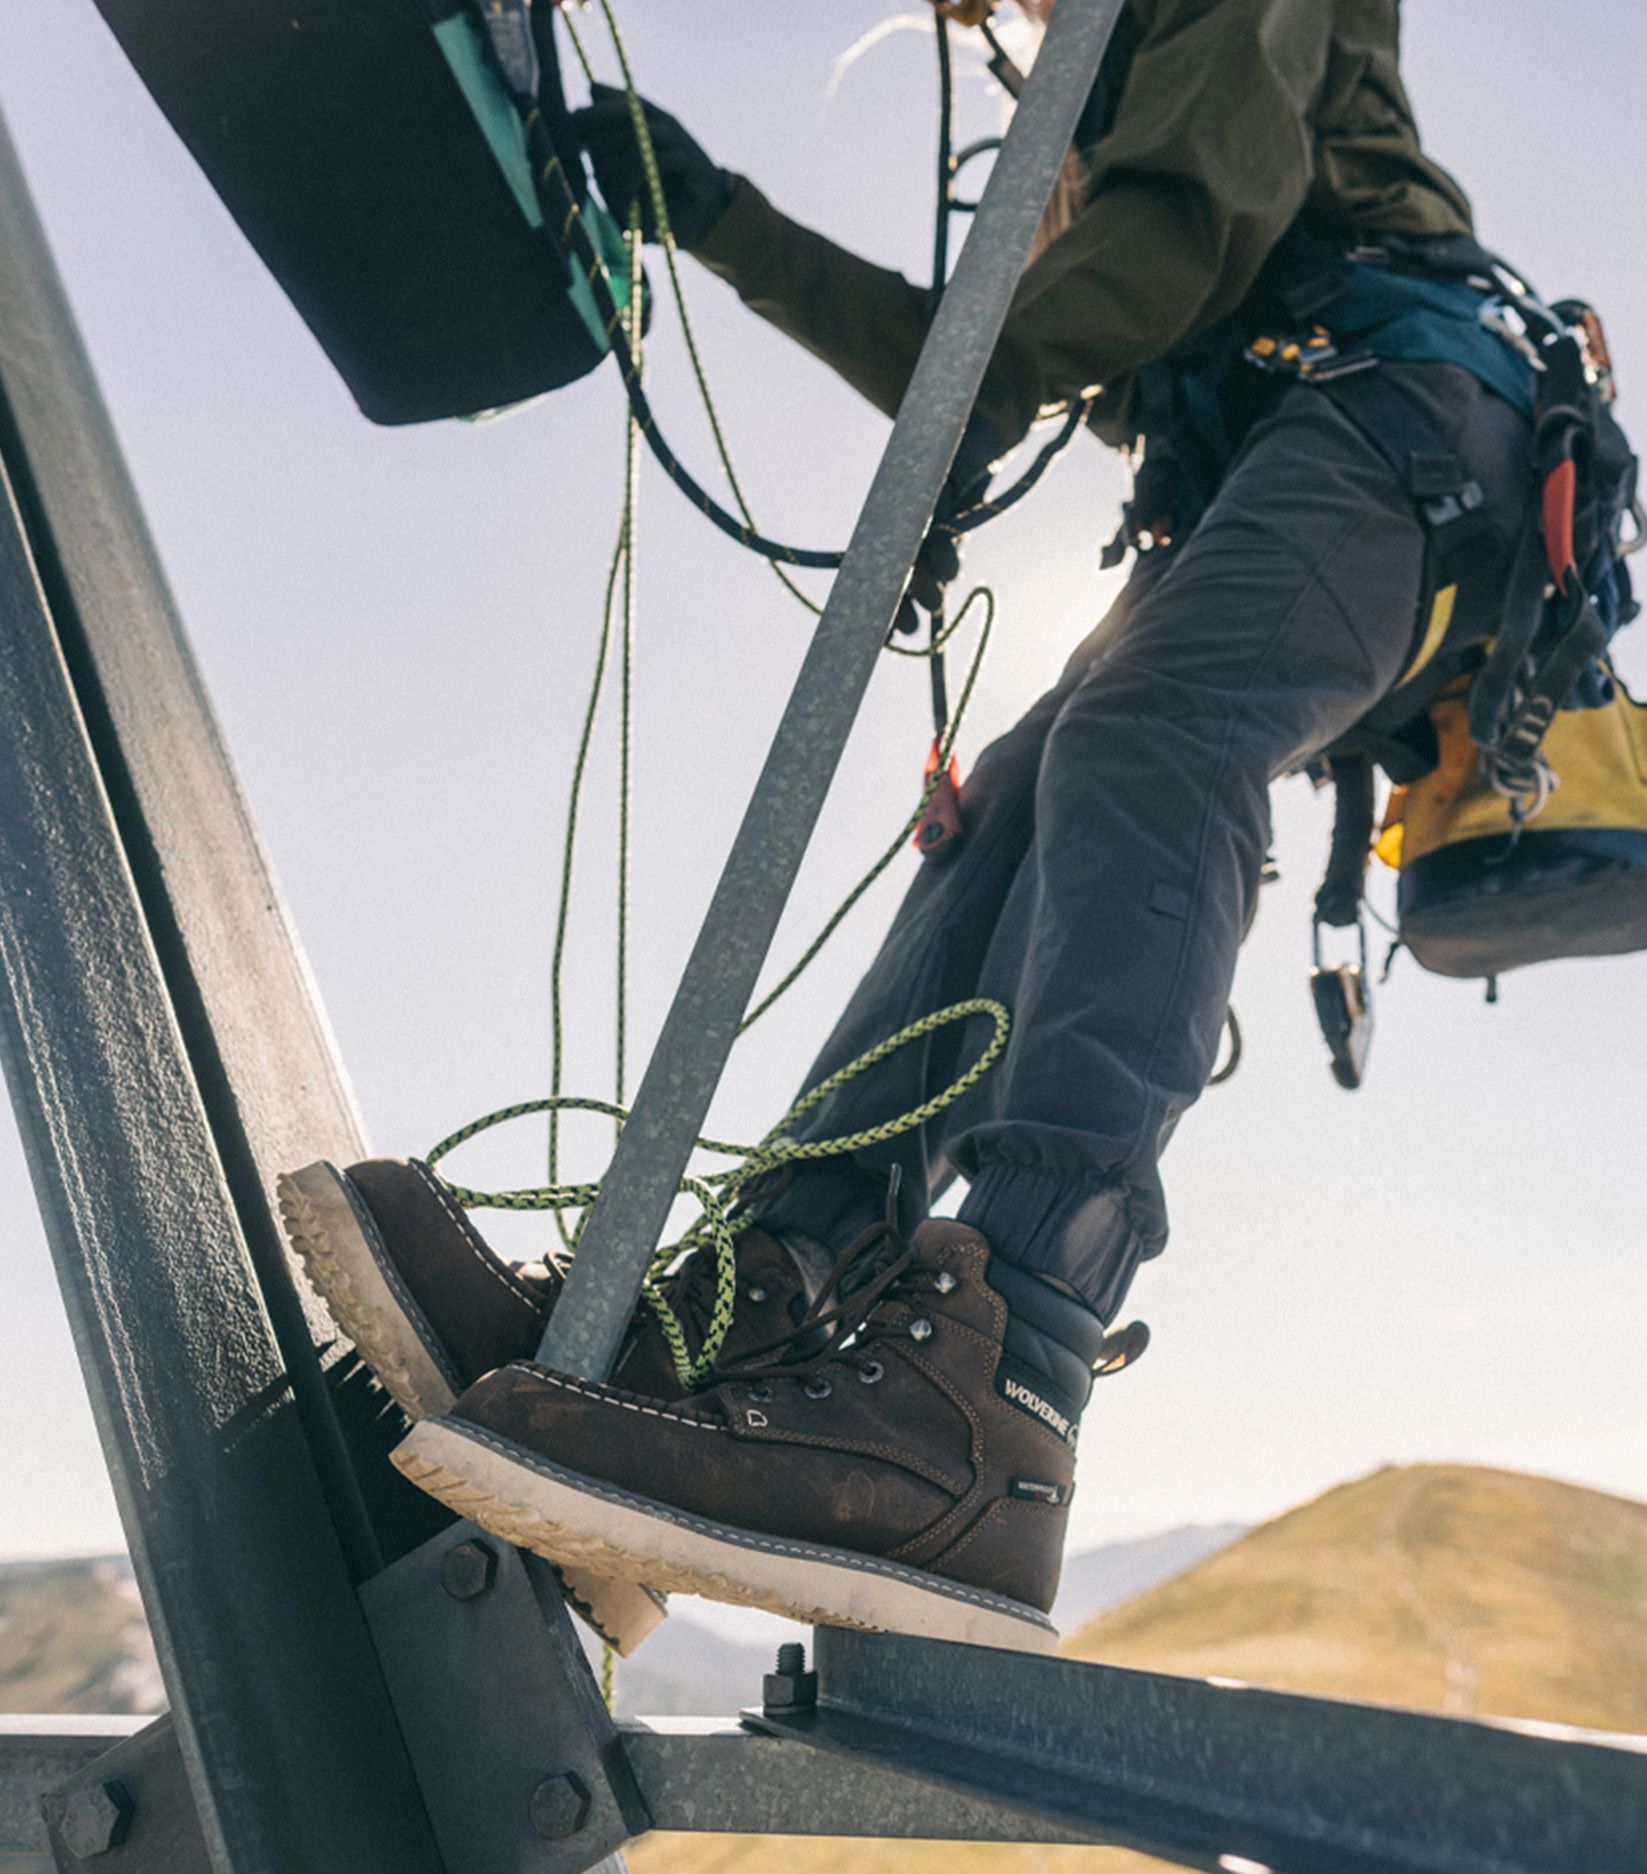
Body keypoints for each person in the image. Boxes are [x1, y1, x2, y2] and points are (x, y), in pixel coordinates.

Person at [283, 0, 1540, 1653]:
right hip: (1283, 450)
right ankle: (760, 1295)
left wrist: (971, 398)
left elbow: (1168, 248)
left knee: (1155, 729)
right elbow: (977, 347)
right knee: (1011, 811)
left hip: (1405, 415)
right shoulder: (1088, 82)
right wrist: (719, 211)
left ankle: (1002, 1389)